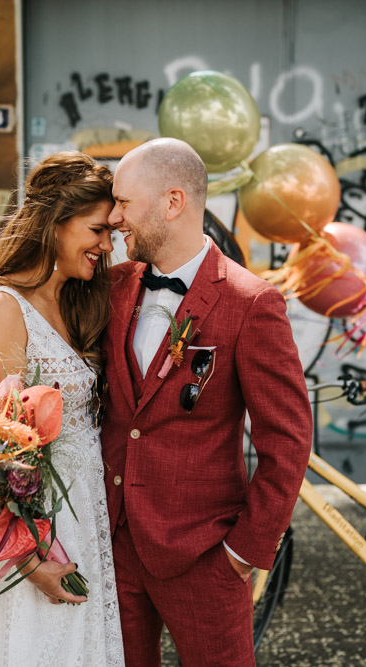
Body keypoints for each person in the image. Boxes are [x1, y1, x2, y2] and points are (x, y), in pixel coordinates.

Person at [101, 138, 312, 666]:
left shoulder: (251, 303)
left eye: (124, 202)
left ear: (173, 203)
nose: (113, 216)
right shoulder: (111, 287)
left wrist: (243, 553)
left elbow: (287, 442)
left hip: (204, 554)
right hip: (114, 546)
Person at [0, 152, 124, 666]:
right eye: (97, 230)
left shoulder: (74, 302)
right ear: (54, 224)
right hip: (32, 534)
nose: (107, 246)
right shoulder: (2, 308)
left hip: (84, 518)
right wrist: (29, 559)